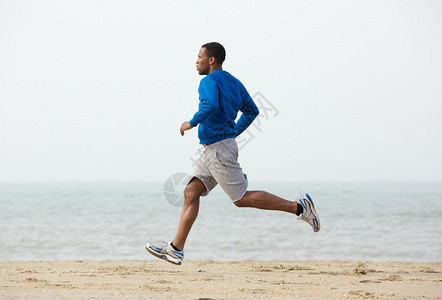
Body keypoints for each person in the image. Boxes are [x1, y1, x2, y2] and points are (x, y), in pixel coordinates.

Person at [146, 42, 320, 265]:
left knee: (241, 198)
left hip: (219, 149)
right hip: (214, 148)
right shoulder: (235, 82)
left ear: (211, 60)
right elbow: (252, 110)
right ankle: (176, 249)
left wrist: (190, 123)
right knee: (191, 191)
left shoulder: (207, 81)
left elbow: (208, 105)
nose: (196, 61)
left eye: (199, 57)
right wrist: (233, 132)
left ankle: (299, 207)